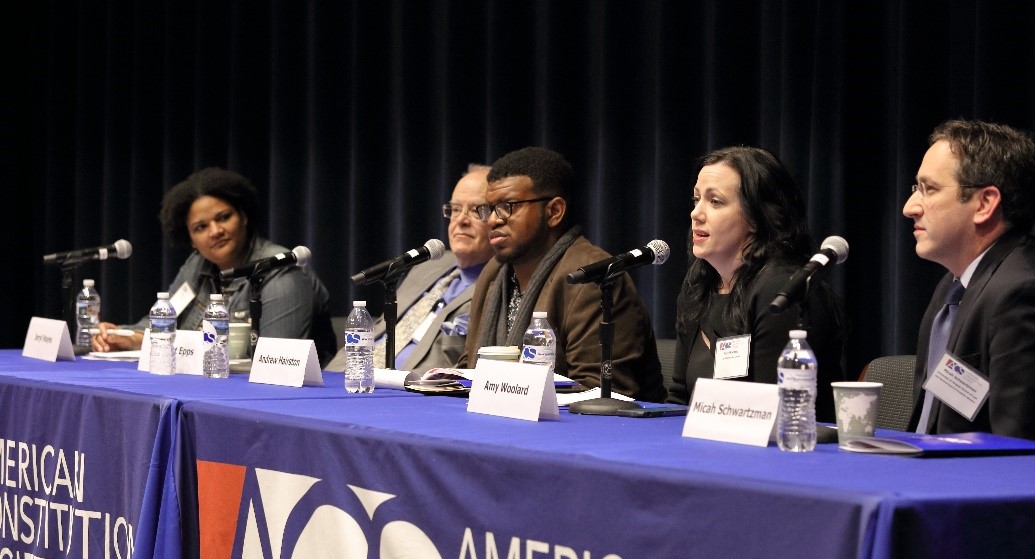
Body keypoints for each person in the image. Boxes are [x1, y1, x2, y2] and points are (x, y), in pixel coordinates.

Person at [904, 119, 1035, 447]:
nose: (909, 208)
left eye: (929, 189)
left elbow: (1023, 453)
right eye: (916, 189)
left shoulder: (1027, 295)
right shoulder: (952, 288)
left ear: (984, 204)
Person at [459, 146, 666, 402]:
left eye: (507, 206)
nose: (492, 220)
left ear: (554, 211)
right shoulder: (493, 274)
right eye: (489, 208)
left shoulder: (591, 277)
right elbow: (468, 365)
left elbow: (601, 393)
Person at [667, 146, 845, 420]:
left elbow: (770, 416)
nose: (696, 213)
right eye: (696, 199)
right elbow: (680, 398)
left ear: (755, 217)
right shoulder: (699, 283)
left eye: (715, 202)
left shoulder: (783, 289)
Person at [92, 167, 337, 365]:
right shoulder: (197, 264)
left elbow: (276, 363)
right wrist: (125, 336)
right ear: (191, 240)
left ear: (243, 216)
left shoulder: (281, 270)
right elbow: (164, 318)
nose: (215, 231)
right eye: (201, 227)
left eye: (223, 217)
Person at [368, 164, 494, 372]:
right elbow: (377, 332)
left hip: (409, 387)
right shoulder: (428, 265)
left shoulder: (502, 285)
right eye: (455, 209)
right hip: (356, 375)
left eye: (476, 210)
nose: (461, 220)